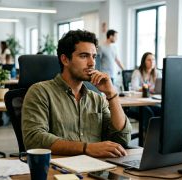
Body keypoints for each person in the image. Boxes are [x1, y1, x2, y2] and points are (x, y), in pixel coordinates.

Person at [22, 30, 132, 158]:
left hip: (95, 168)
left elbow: (122, 139)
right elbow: (34, 139)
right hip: (59, 170)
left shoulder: (97, 99)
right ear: (65, 60)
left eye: (94, 56)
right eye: (84, 56)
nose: (92, 63)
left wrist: (111, 94)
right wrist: (86, 148)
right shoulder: (40, 92)